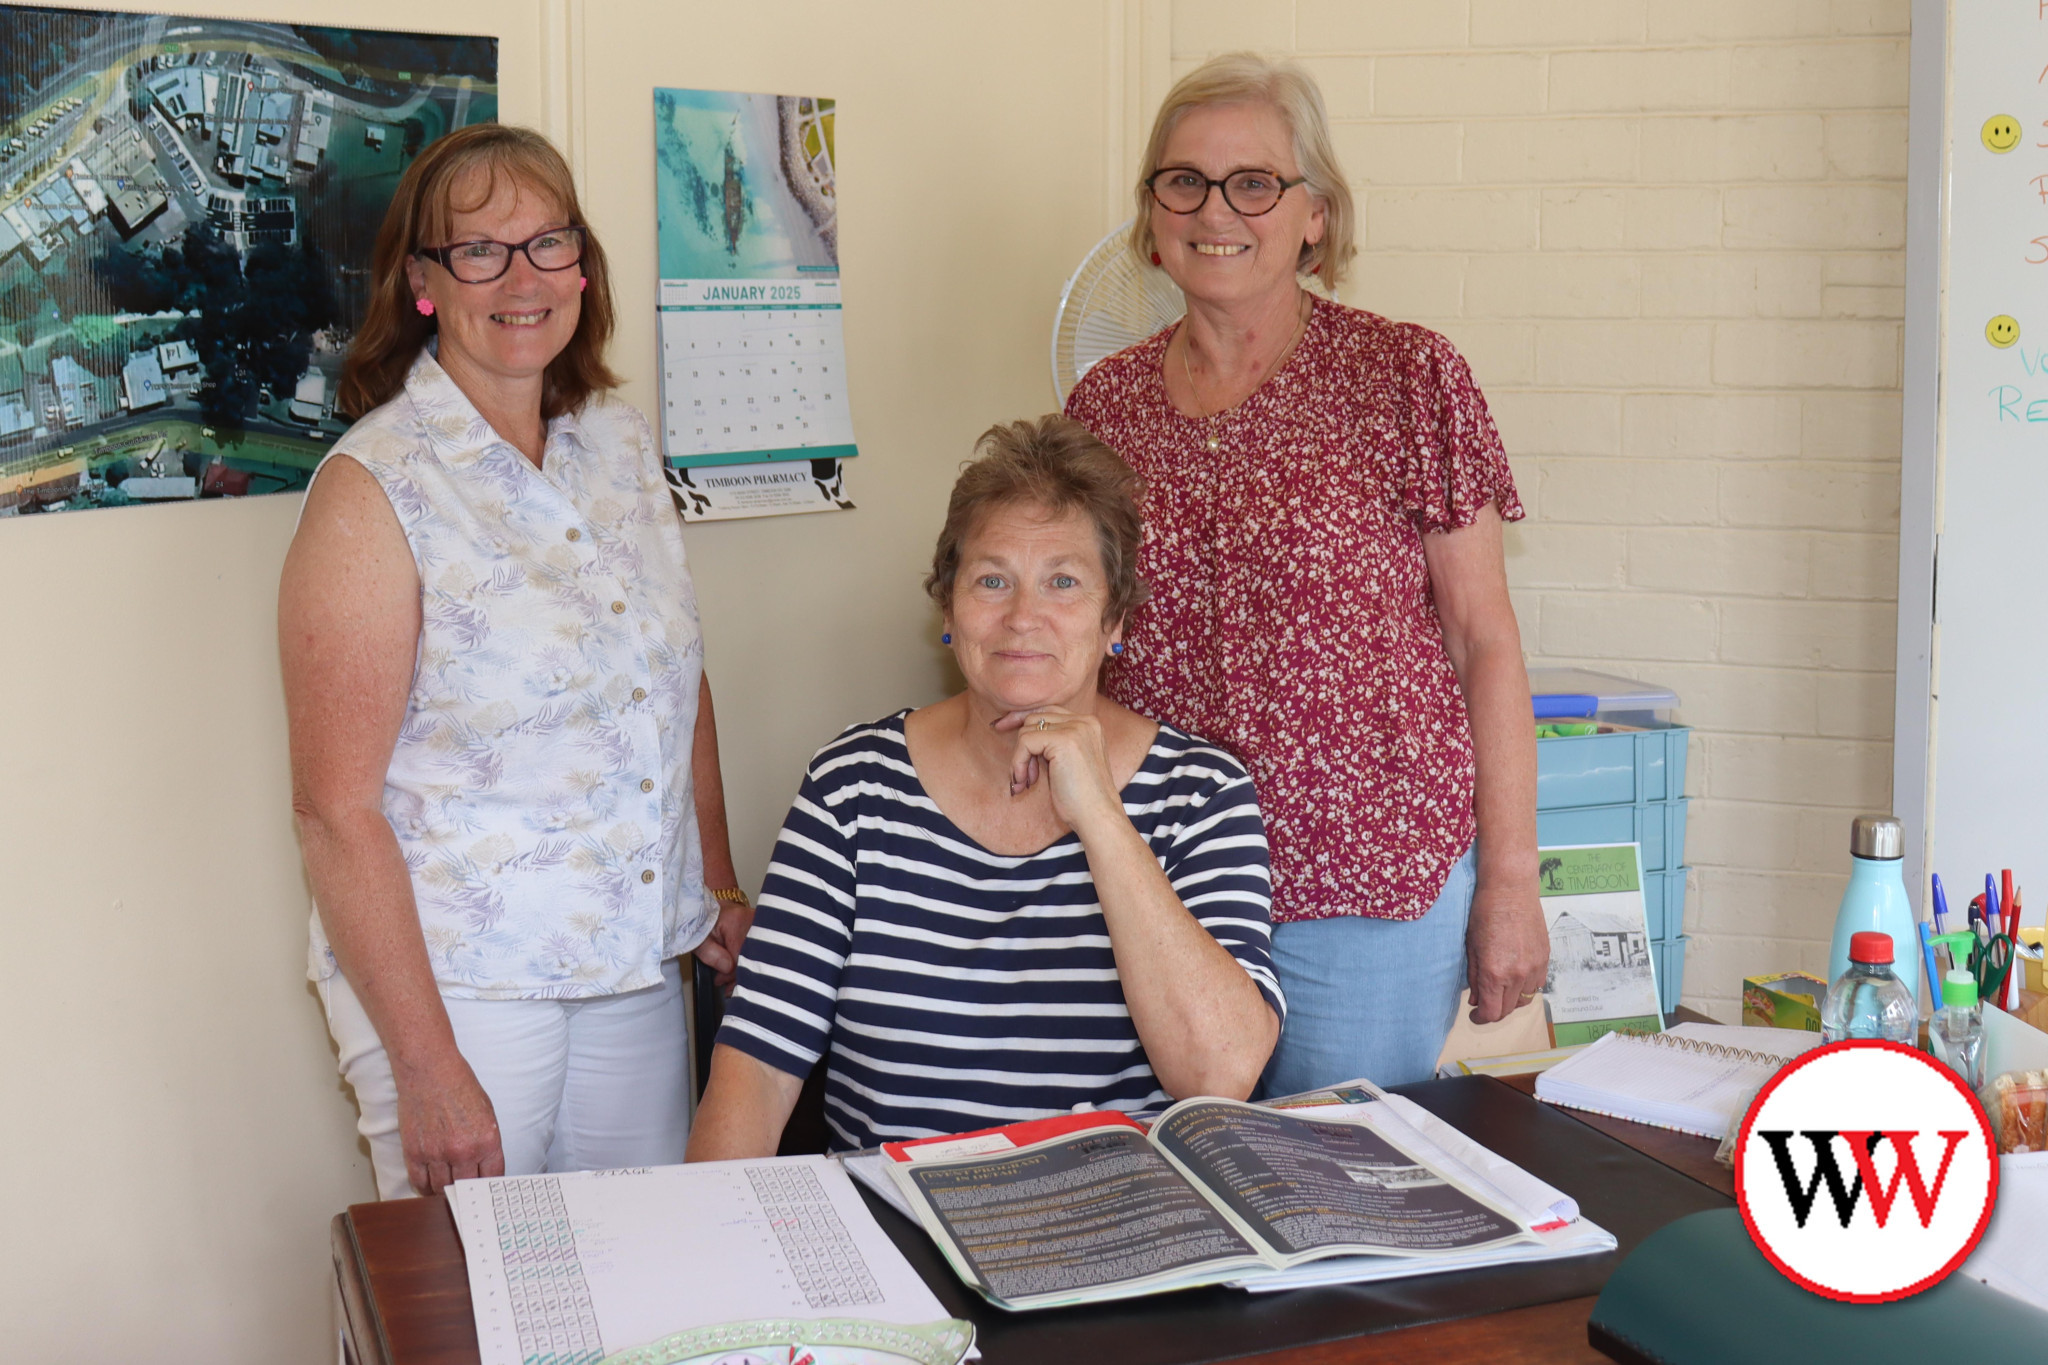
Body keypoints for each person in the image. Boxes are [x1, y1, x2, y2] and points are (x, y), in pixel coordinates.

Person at [280, 125, 752, 1199]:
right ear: (423, 283)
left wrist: (714, 879)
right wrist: (429, 1067)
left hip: (631, 956)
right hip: (461, 985)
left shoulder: (618, 446)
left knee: (634, 1289)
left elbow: (674, 684)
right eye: (479, 251)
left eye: (547, 244)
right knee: (476, 1306)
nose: (522, 277)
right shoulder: (376, 491)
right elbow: (332, 810)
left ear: (583, 265)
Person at [1063, 53, 1546, 1093]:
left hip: (1360, 886)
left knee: (1339, 1200)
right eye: (1181, 180)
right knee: (1176, 1190)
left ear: (1315, 213)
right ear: (1150, 214)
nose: (1214, 210)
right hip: (1160, 878)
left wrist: (1508, 881)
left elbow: (1484, 640)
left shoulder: (1406, 376)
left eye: (1254, 182)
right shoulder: (1104, 407)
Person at [686, 417, 1282, 1157]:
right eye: (991, 579)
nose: (1022, 616)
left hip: (1123, 1238)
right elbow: (755, 1072)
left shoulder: (1201, 793)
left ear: (1115, 619)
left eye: (1063, 581)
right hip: (900, 1235)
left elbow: (1219, 1072)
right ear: (949, 608)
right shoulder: (852, 787)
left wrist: (1100, 814)